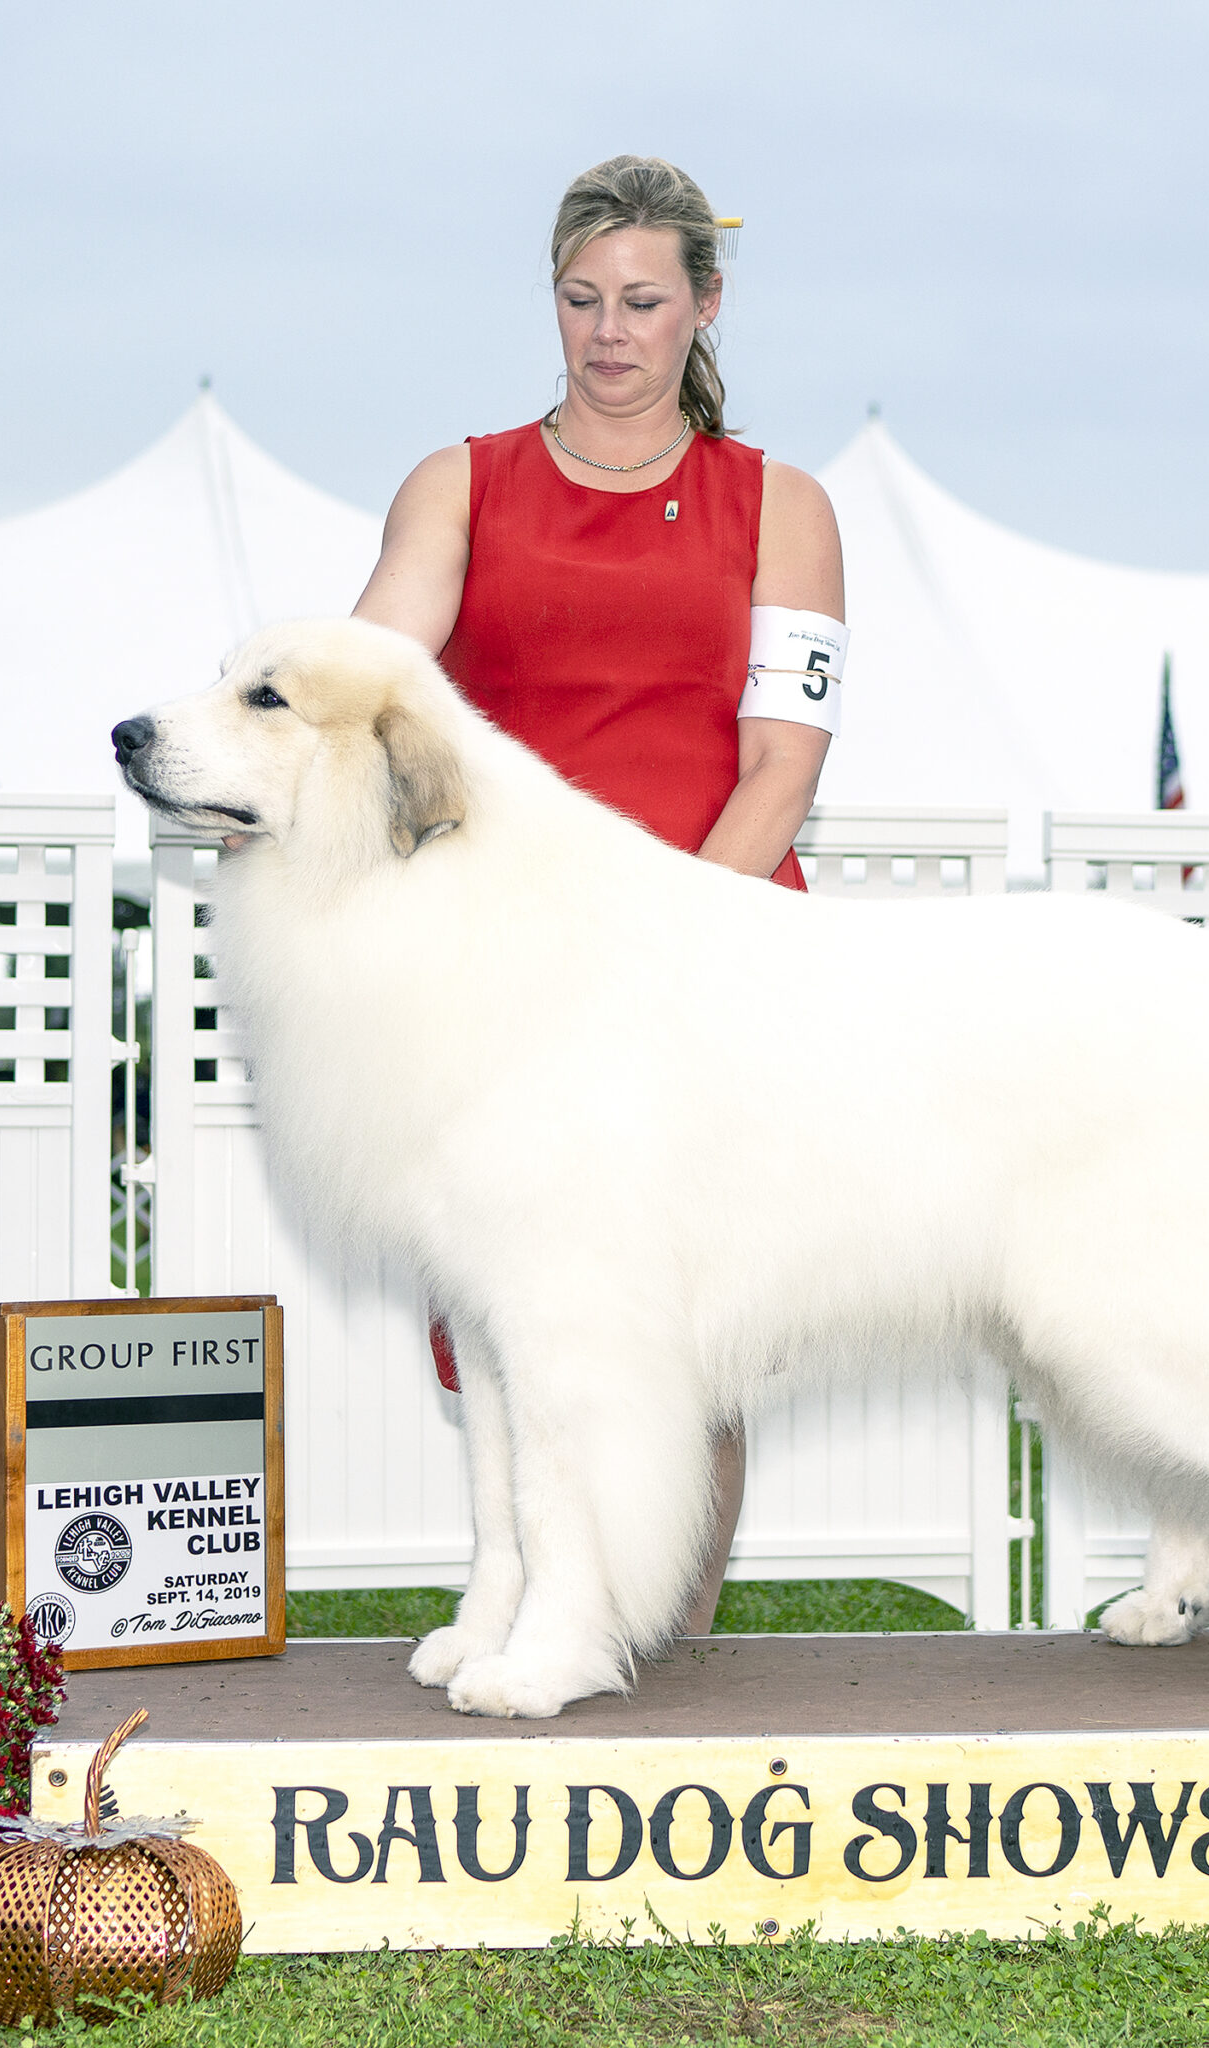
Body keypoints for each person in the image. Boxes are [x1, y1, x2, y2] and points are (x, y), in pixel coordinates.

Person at [353, 153, 846, 1639]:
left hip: (716, 949)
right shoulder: (458, 483)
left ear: (707, 304)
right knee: (517, 1315)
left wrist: (660, 948)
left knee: (693, 1326)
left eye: (642, 300)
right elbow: (367, 686)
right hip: (496, 976)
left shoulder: (785, 505)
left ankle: (670, 1655)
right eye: (581, 300)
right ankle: (523, 1606)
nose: (610, 332)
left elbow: (783, 765)